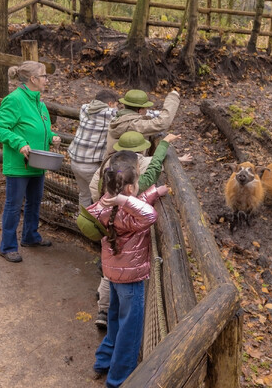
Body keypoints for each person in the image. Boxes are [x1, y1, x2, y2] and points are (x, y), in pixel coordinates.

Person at [90, 131, 191, 329]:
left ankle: (104, 309)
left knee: (108, 273)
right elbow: (149, 210)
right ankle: (107, 313)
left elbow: (96, 189)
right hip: (128, 262)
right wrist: (164, 144)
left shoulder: (112, 170)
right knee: (121, 293)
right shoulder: (129, 190)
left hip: (109, 232)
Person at [88, 150, 168, 387]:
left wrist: (153, 192)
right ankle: (119, 379)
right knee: (130, 330)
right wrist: (126, 201)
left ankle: (102, 362)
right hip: (131, 279)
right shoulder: (129, 213)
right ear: (131, 189)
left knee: (114, 319)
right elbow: (149, 215)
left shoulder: (102, 207)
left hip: (112, 274)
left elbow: (136, 206)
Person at [0, 61, 61, 263]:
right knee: (13, 206)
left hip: (38, 164)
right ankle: (8, 246)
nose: (47, 80)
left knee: (34, 202)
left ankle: (30, 236)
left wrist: (52, 137)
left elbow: (40, 129)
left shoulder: (39, 102)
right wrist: (19, 143)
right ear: (33, 79)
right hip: (19, 166)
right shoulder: (14, 100)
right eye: (44, 76)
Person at [68, 89, 119, 207]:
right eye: (116, 105)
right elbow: (129, 116)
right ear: (110, 104)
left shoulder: (85, 108)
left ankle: (82, 222)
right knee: (100, 199)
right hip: (90, 166)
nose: (117, 108)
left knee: (84, 194)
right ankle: (96, 224)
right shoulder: (110, 114)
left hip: (75, 162)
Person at [104, 89, 180, 160]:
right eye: (146, 109)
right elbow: (162, 123)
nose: (147, 111)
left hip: (115, 165)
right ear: (140, 111)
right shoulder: (133, 125)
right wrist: (173, 97)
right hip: (125, 169)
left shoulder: (120, 118)